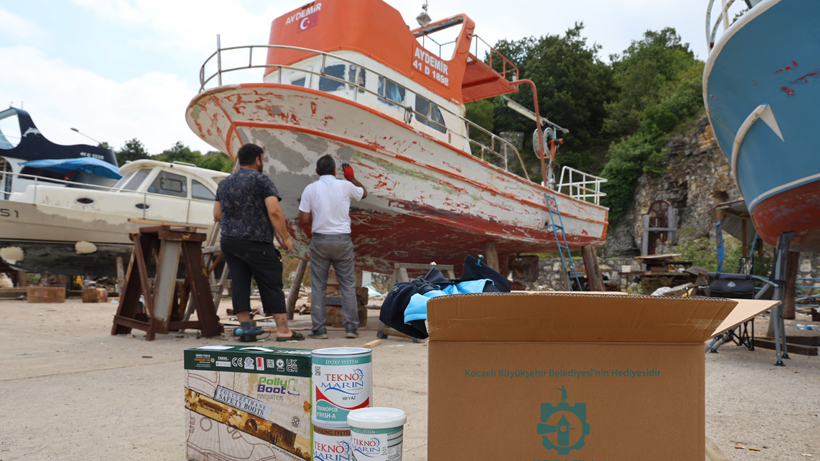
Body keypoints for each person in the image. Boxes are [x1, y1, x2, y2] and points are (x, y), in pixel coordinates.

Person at [213, 143, 304, 342]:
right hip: (256, 241)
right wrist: (286, 238)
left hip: (229, 241)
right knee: (270, 283)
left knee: (239, 283)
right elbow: (274, 211)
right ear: (257, 159)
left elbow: (217, 214)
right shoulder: (262, 180)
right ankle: (283, 331)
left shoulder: (224, 183)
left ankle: (247, 330)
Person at [298, 155, 367, 339]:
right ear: (336, 171)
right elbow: (363, 193)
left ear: (317, 171)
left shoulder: (310, 189)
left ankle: (319, 330)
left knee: (318, 287)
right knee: (347, 286)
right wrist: (351, 177)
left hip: (320, 240)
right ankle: (351, 328)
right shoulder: (345, 185)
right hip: (342, 240)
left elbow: (303, 220)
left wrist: (317, 218)